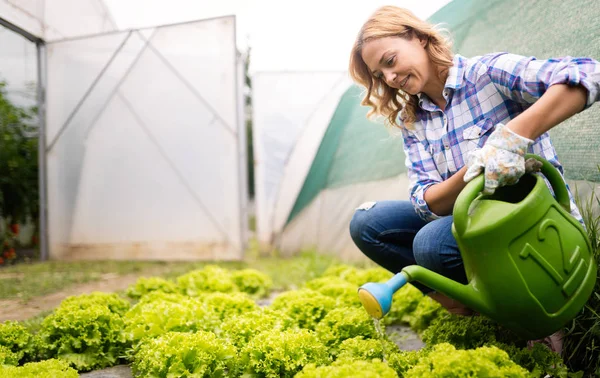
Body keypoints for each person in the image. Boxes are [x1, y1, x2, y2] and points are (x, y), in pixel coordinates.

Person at [347, 5, 600, 355]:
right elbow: (424, 200)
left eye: (390, 61)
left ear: (419, 38)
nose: (389, 79)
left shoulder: (487, 73)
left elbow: (587, 73)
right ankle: (464, 301)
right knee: (368, 222)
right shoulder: (414, 120)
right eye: (380, 75)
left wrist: (513, 138)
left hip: (534, 227)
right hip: (475, 223)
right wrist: (474, 170)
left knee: (430, 245)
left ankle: (539, 317)